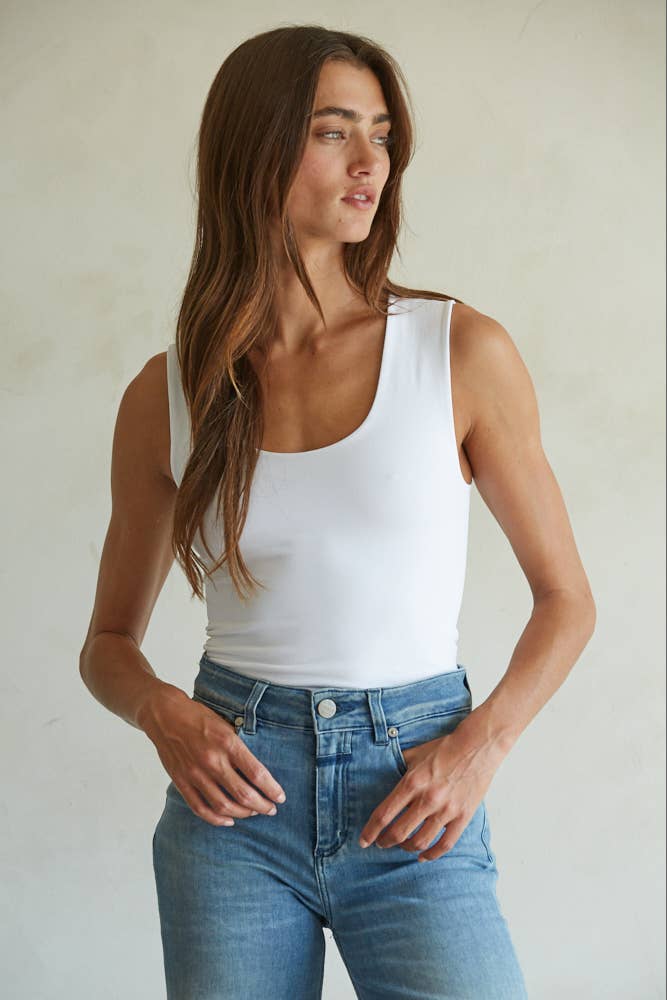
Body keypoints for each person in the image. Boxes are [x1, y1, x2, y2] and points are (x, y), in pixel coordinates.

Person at [79, 24, 596, 1000]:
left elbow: (566, 598)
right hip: (230, 801)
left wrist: (477, 748)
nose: (371, 162)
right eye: (333, 132)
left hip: (413, 787)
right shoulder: (169, 397)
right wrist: (163, 713)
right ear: (257, 146)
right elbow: (108, 640)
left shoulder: (458, 352)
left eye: (382, 134)